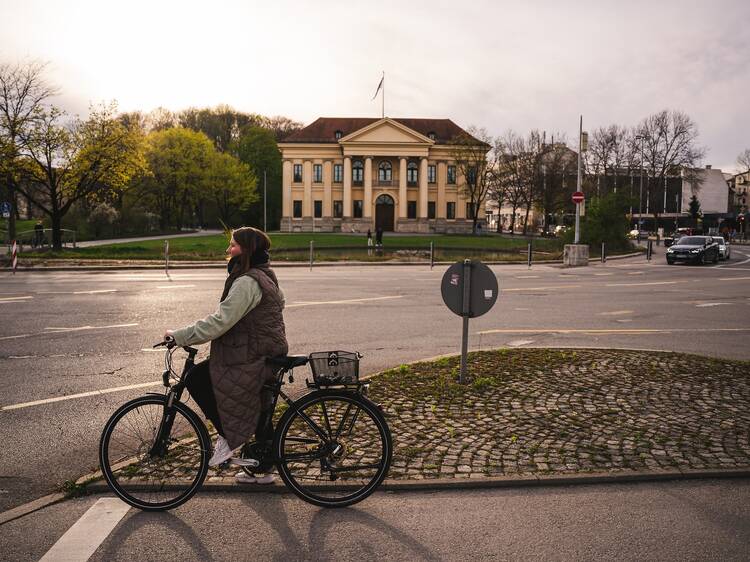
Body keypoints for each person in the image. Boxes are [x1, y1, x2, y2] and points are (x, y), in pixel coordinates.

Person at [165, 226, 288, 485]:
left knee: (197, 377)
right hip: (266, 350)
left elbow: (220, 322)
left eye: (232, 245)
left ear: (246, 250)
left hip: (253, 355)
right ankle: (262, 467)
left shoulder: (247, 281)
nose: (228, 250)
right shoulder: (265, 274)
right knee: (260, 406)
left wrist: (180, 335)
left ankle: (228, 436)